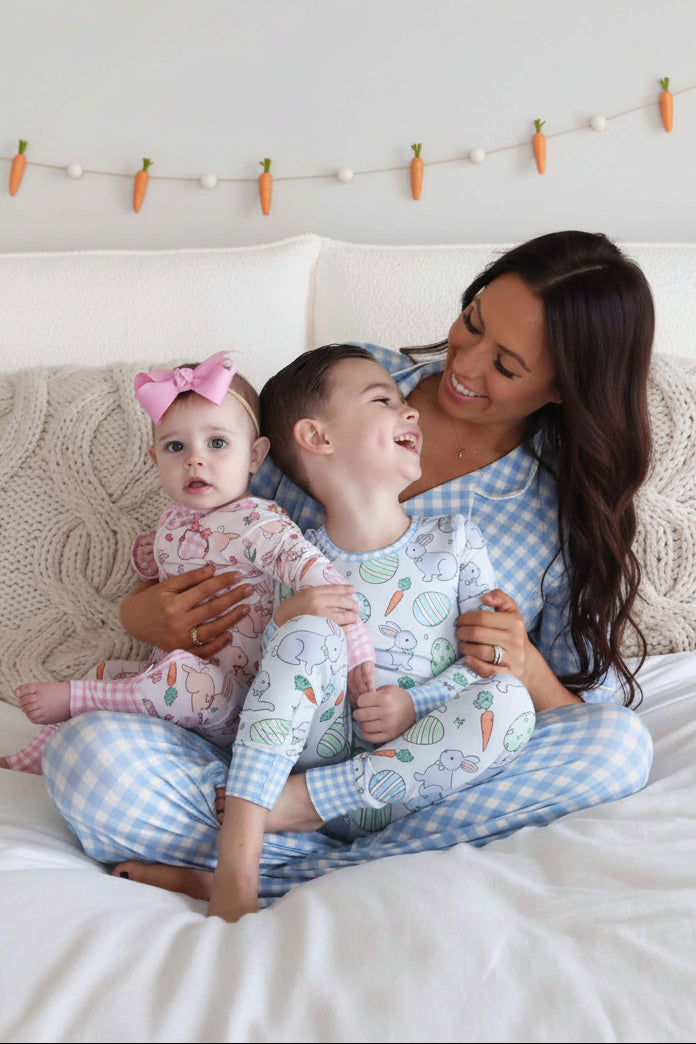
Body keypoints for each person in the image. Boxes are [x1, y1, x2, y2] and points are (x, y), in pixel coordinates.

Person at [40, 230, 654, 910]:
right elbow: (211, 507)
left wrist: (524, 665)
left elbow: (576, 711)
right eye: (473, 321)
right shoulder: (349, 381)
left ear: (564, 388)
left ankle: (271, 861)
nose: (465, 363)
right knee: (88, 759)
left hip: (434, 773)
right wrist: (140, 612)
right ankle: (341, 861)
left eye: (506, 366)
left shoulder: (562, 503)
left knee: (618, 749)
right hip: (273, 740)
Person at [211, 345, 534, 920]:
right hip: (317, 751)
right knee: (308, 630)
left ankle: (282, 816)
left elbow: (484, 666)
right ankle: (240, 860)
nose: (411, 411)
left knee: (510, 700)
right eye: (384, 400)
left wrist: (415, 704)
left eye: (402, 400)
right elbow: (273, 682)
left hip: (412, 780)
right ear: (317, 437)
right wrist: (289, 619)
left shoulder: (456, 539)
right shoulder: (295, 557)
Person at [4, 351, 374, 773]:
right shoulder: (173, 518)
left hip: (240, 701)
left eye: (217, 443)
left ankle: (79, 699)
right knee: (106, 669)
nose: (194, 459)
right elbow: (168, 564)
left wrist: (359, 655)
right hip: (168, 682)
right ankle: (34, 756)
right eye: (175, 447)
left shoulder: (259, 523)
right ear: (155, 459)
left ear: (254, 456)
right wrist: (148, 558)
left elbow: (321, 579)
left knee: (180, 678)